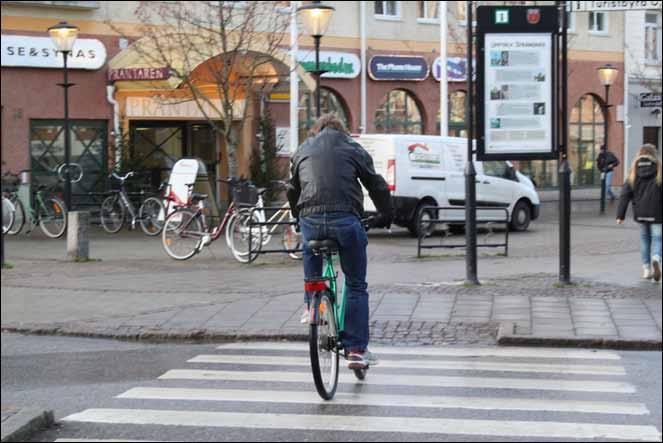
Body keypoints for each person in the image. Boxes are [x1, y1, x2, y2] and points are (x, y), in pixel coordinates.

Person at [287, 113, 392, 370]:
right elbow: (375, 184)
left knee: (311, 256)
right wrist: (386, 214)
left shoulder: (303, 149)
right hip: (345, 219)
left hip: (310, 220)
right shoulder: (352, 148)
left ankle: (310, 305)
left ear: (317, 129)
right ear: (342, 130)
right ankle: (356, 350)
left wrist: (297, 217)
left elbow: (292, 188)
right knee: (356, 283)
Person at [616, 144, 662, 282]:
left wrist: (620, 215)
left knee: (644, 239)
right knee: (657, 238)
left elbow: (625, 195)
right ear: (654, 154)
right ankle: (656, 257)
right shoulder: (660, 169)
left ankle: (646, 270)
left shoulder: (633, 171)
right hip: (658, 212)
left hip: (640, 212)